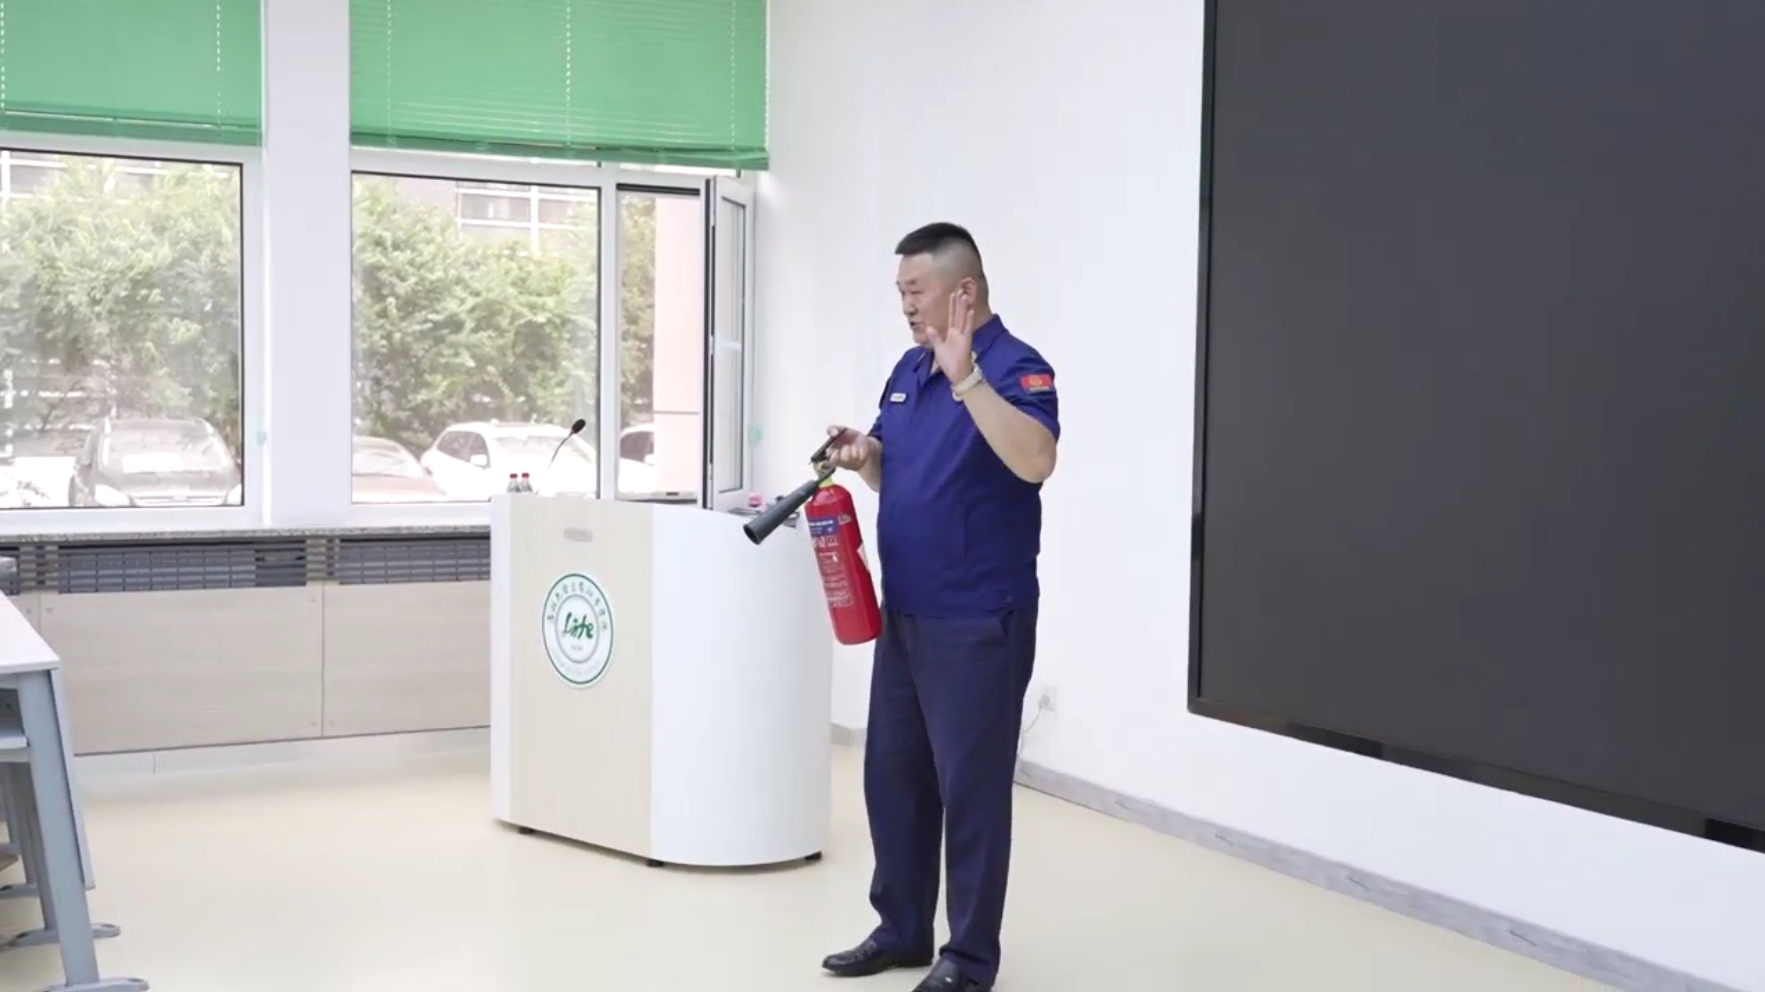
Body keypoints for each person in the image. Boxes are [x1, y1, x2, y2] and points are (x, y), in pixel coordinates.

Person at [819, 222, 1060, 992]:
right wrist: (865, 456)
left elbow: (1035, 460)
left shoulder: (1016, 367)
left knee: (971, 791)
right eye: (899, 292)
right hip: (907, 612)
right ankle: (901, 929)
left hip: (978, 618)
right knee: (894, 778)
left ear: (964, 292)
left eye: (915, 291)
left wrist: (968, 380)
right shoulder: (908, 369)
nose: (905, 306)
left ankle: (969, 959)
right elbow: (895, 474)